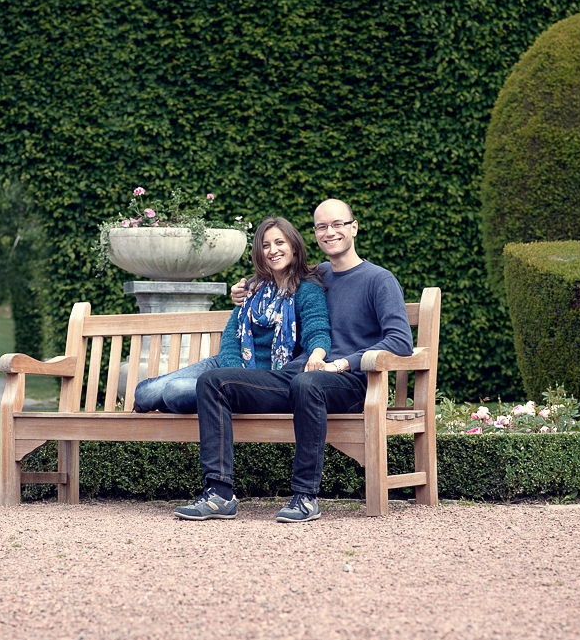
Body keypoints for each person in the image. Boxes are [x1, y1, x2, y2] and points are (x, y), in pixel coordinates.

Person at [174, 199, 414, 523]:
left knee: (307, 382)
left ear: (354, 227)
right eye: (322, 227)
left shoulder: (379, 280)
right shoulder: (316, 275)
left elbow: (400, 341)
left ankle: (305, 497)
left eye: (338, 224)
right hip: (299, 377)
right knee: (214, 381)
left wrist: (342, 364)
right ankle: (219, 495)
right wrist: (244, 289)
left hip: (354, 384)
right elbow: (274, 275)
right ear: (314, 234)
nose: (330, 232)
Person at [133, 216, 332, 416]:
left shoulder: (307, 289)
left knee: (176, 391)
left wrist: (317, 355)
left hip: (265, 378)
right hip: (226, 365)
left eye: (280, 242)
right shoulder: (253, 288)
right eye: (266, 246)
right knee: (145, 394)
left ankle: (188, 401)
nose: (273, 250)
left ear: (294, 247)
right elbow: (231, 337)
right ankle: (190, 401)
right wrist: (233, 374)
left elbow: (317, 330)